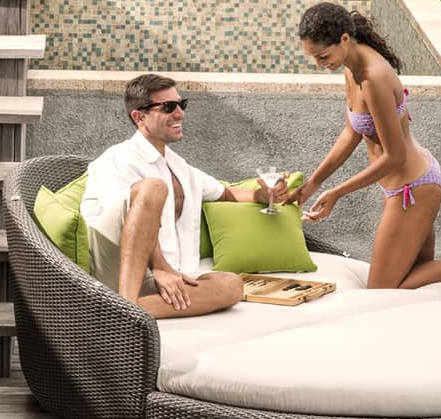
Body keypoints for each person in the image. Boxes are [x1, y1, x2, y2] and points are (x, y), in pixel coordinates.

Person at [294, 2, 441, 289]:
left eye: (323, 56)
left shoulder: (373, 77)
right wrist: (314, 182)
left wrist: (338, 192)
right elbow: (352, 131)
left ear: (343, 38)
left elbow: (394, 157)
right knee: (416, 278)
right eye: (314, 57)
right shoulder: (350, 66)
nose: (320, 64)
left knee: (381, 290)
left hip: (412, 188)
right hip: (406, 185)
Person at [81, 73, 291, 319]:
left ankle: (129, 311)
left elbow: (223, 193)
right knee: (153, 188)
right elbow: (130, 220)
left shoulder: (178, 166)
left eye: (182, 104)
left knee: (231, 285)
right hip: (120, 268)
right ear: (139, 117)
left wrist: (262, 195)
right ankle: (128, 303)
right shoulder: (118, 159)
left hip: (170, 274)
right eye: (168, 107)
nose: (180, 113)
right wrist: (161, 267)